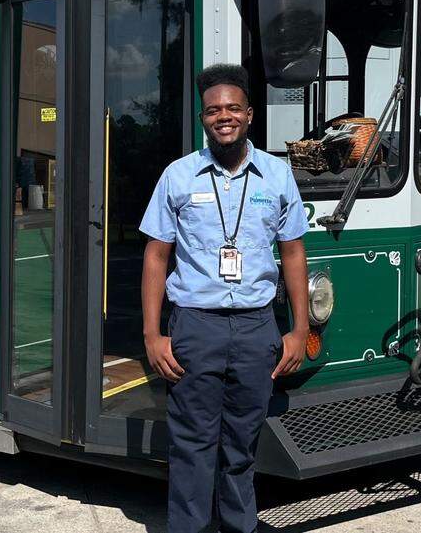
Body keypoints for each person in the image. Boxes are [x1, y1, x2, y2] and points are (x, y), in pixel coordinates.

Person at [139, 64, 310, 533]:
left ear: (249, 114)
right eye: (214, 110)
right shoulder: (178, 176)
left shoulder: (276, 176)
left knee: (241, 446)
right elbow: (156, 256)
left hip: (257, 329)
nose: (224, 116)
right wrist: (153, 335)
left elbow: (293, 254)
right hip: (195, 326)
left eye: (233, 107)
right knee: (192, 446)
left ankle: (240, 528)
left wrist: (298, 328)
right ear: (203, 119)